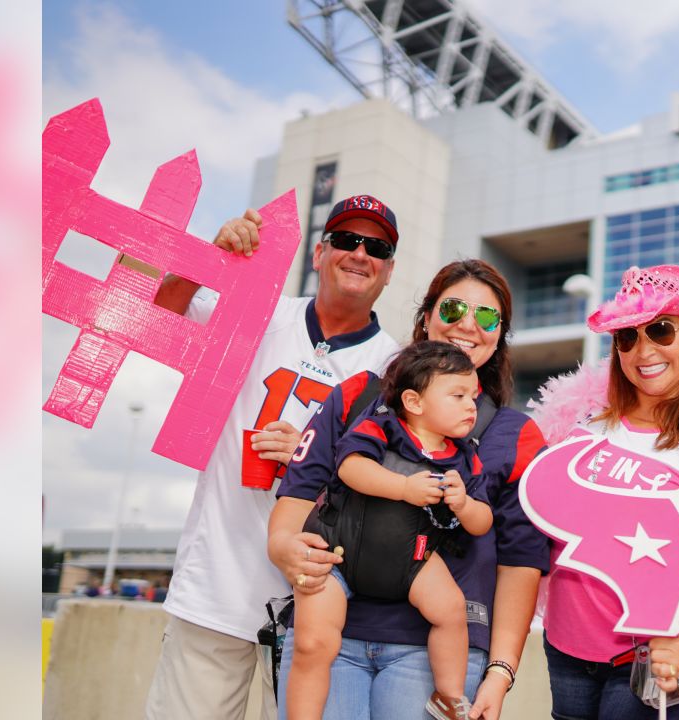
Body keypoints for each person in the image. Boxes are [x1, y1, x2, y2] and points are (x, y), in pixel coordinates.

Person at [144, 195, 402, 720]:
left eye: (375, 246)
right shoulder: (257, 310)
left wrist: (314, 458)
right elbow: (154, 316)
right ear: (319, 252)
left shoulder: (396, 367)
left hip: (316, 609)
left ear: (390, 270)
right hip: (216, 585)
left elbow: (398, 484)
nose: (359, 253)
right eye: (346, 240)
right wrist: (208, 260)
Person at [269, 259, 550, 720]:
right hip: (331, 634)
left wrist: (500, 671)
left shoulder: (517, 433)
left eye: (486, 317)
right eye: (454, 308)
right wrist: (284, 548)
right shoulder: (360, 396)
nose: (468, 325)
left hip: (433, 652)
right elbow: (298, 495)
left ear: (500, 334)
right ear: (426, 316)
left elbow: (520, 563)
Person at [528, 264, 679, 720]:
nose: (643, 350)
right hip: (565, 649)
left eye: (660, 330)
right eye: (627, 337)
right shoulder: (583, 428)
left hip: (648, 658)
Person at [288, 341, 492, 720]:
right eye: (458, 395)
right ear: (414, 402)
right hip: (339, 551)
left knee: (450, 609)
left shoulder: (464, 455)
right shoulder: (382, 423)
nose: (471, 406)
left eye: (474, 396)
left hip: (410, 559)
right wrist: (405, 488)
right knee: (313, 641)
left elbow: (483, 522)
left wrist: (464, 505)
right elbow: (350, 467)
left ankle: (448, 694)